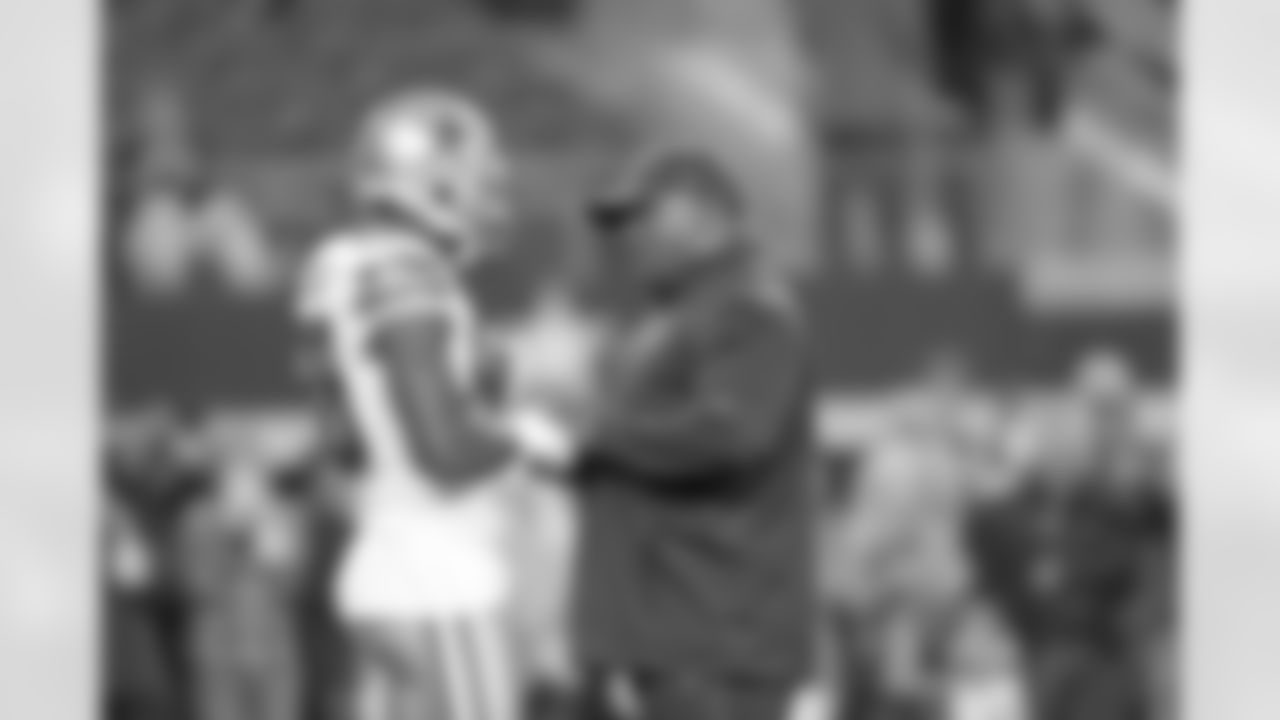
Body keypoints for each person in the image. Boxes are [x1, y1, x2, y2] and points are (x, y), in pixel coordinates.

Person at [295, 89, 550, 720]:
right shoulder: (406, 272)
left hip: (381, 568)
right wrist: (523, 435)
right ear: (425, 183)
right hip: (438, 581)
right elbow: (441, 452)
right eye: (470, 179)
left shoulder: (340, 263)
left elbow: (344, 449)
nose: (485, 197)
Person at [568, 151, 820, 720]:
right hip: (665, 635)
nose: (628, 236)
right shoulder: (675, 313)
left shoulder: (749, 307)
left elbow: (735, 432)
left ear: (706, 219)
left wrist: (600, 436)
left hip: (714, 638)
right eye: (621, 223)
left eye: (644, 216)